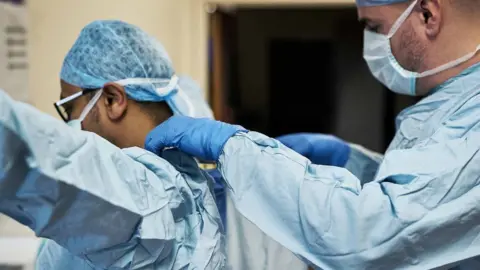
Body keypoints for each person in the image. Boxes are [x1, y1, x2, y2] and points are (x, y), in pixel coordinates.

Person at [144, 0, 480, 269]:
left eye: (374, 27)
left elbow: (374, 237)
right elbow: (432, 196)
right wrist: (357, 164)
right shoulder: (455, 105)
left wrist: (236, 148)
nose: (371, 44)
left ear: (427, 14)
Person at [0, 20, 226, 269]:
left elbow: (30, 153)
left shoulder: (145, 198)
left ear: (112, 99)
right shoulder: (189, 169)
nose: (71, 122)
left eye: (69, 107)